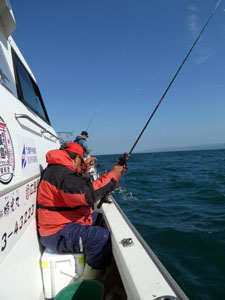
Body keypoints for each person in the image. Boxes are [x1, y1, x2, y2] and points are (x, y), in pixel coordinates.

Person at [37, 142, 125, 280]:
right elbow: (86, 194)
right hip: (56, 232)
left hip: (67, 220)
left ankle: (98, 260)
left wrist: (84, 166)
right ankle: (91, 281)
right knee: (100, 237)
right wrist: (113, 176)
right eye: (81, 159)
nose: (82, 162)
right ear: (75, 158)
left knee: (100, 219)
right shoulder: (61, 174)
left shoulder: (58, 170)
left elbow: (74, 181)